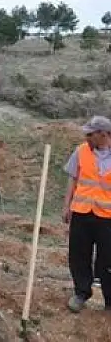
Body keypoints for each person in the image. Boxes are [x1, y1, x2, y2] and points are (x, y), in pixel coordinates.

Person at [63, 115, 111, 313]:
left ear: (103, 134)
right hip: (82, 212)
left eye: (90, 134)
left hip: (107, 216)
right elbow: (72, 180)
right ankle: (81, 292)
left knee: (107, 259)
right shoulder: (81, 151)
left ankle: (110, 300)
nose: (87, 137)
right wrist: (66, 206)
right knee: (78, 254)